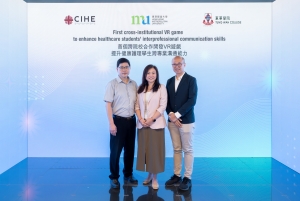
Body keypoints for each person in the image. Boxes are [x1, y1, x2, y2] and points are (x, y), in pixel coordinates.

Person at [104, 58, 138, 189]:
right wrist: (111, 124)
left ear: (130, 68)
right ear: (117, 69)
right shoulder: (112, 84)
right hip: (118, 121)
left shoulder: (134, 84)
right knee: (116, 151)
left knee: (130, 150)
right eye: (121, 67)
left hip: (131, 121)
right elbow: (108, 105)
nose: (124, 69)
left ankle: (128, 175)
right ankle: (114, 177)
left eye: (126, 67)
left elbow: (136, 104)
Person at [165, 56, 198, 191]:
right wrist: (171, 115)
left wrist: (177, 115)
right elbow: (165, 101)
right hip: (172, 121)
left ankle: (187, 177)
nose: (177, 66)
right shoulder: (169, 81)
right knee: (176, 149)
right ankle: (177, 175)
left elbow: (192, 100)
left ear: (184, 64)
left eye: (179, 64)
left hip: (186, 121)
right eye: (174, 64)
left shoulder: (191, 80)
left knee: (187, 149)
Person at [135, 65, 167, 190]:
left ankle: (155, 178)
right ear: (145, 74)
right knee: (146, 151)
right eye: (148, 73)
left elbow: (162, 106)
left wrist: (151, 119)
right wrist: (141, 119)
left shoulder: (161, 88)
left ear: (157, 74)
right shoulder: (140, 88)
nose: (151, 75)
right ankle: (149, 174)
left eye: (153, 73)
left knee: (155, 151)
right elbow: (136, 106)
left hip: (156, 124)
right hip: (142, 125)